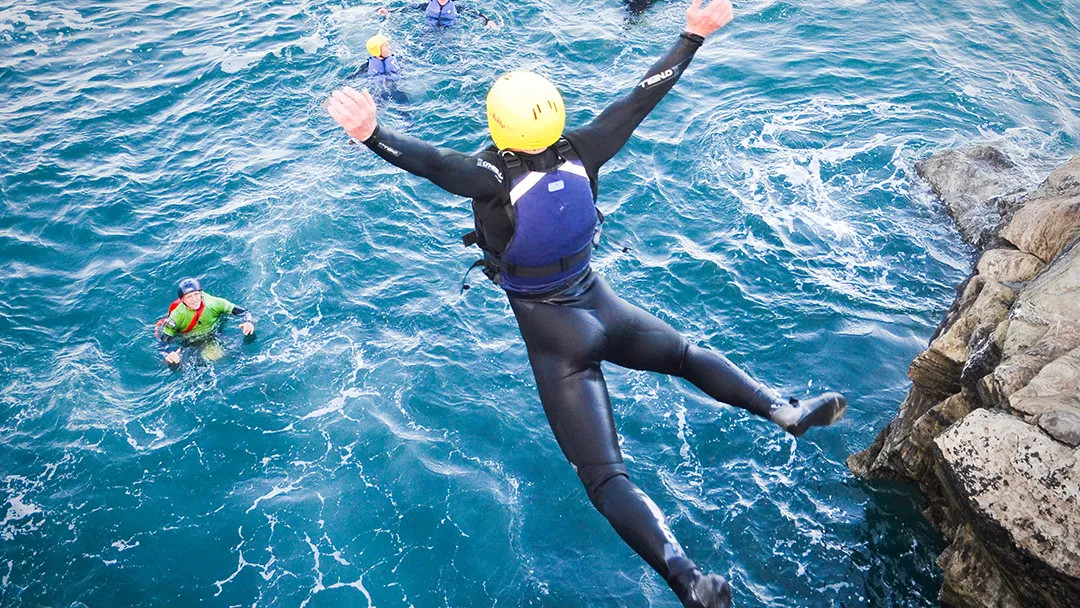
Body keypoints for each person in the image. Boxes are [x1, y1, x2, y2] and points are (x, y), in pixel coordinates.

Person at [326, 1, 846, 606]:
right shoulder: (584, 149)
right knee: (686, 355)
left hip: (559, 340)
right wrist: (691, 36)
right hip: (605, 305)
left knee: (604, 477)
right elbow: (642, 96)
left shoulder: (490, 178)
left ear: (499, 127)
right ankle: (783, 410)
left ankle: (688, 579)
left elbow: (429, 162)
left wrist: (372, 135)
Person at [157, 278, 255, 366]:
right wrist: (168, 355)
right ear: (182, 300)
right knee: (181, 364)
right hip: (190, 341)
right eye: (189, 297)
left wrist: (248, 322)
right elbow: (163, 343)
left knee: (235, 353)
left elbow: (244, 312)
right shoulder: (177, 315)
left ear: (201, 293)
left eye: (196, 294)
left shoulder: (214, 303)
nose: (194, 299)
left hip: (215, 333)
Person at [377, 0, 498, 29]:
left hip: (449, 30)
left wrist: (488, 20)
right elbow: (408, 9)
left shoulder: (455, 6)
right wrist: (389, 11)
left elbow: (474, 13)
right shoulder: (428, 4)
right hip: (428, 29)